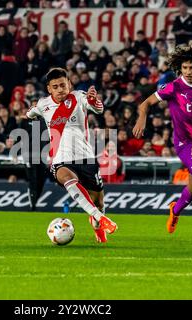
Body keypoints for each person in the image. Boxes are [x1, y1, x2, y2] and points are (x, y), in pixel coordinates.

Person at [133, 41, 192, 240]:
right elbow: (145, 103)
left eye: (191, 68)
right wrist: (141, 118)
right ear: (180, 68)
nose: (187, 71)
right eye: (184, 68)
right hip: (184, 144)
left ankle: (175, 210)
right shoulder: (173, 87)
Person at [26, 67, 117, 243]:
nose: (60, 89)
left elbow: (97, 109)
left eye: (63, 85)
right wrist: (31, 113)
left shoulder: (78, 97)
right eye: (55, 87)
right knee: (67, 178)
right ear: (49, 89)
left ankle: (97, 223)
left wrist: (93, 99)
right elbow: (30, 113)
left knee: (98, 200)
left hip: (86, 158)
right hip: (59, 159)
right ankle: (101, 218)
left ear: (69, 83)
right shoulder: (43, 104)